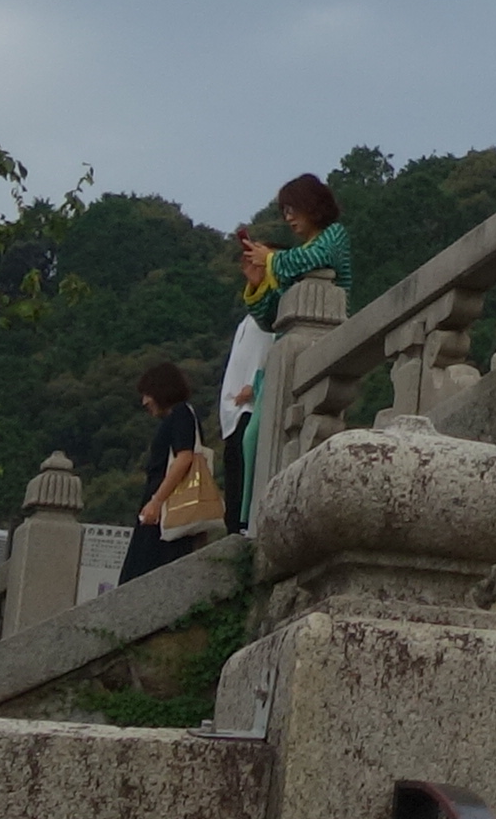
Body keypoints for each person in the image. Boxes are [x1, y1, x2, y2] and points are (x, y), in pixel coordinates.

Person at [220, 173, 351, 524]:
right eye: (285, 211)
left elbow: (310, 260)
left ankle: (254, 518)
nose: (289, 218)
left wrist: (272, 260)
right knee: (253, 439)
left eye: (294, 209)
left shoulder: (332, 237)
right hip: (284, 353)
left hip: (315, 344)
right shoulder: (293, 255)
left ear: (314, 206)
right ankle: (249, 519)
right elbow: (271, 317)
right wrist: (259, 283)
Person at [122, 359, 212, 578]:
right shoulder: (179, 416)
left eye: (148, 394)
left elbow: (184, 458)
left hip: (166, 508)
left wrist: (157, 500)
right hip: (162, 506)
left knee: (143, 570)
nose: (144, 401)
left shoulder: (181, 414)